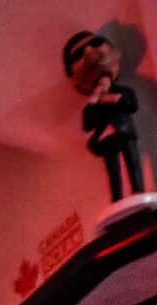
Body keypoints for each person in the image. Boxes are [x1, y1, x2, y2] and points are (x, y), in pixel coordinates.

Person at [65, 27, 147, 201]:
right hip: (106, 138)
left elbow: (132, 104)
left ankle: (138, 190)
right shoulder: (95, 101)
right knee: (113, 170)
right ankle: (117, 198)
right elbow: (87, 124)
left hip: (124, 132)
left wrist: (115, 99)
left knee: (133, 162)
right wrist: (94, 99)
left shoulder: (122, 91)